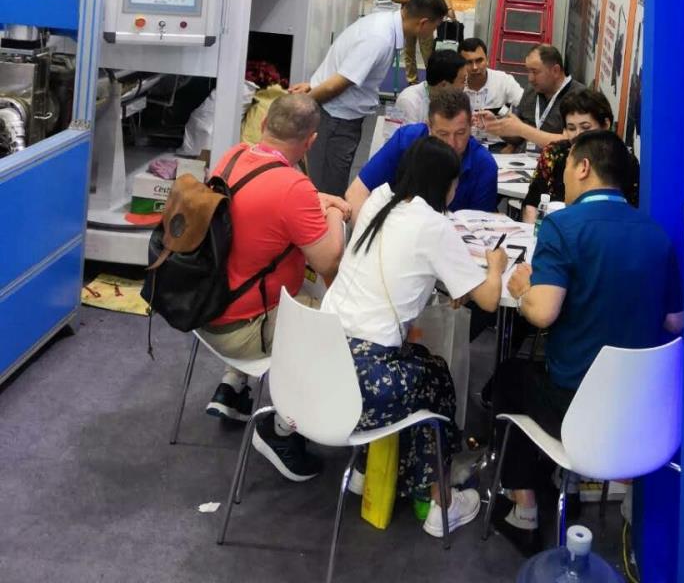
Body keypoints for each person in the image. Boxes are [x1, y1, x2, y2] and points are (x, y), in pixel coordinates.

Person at [490, 130, 684, 552]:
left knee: (509, 376)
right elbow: (675, 320)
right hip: (642, 410)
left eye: (566, 168)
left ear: (583, 167)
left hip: (575, 408)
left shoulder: (563, 226)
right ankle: (567, 481)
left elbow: (543, 312)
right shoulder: (655, 233)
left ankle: (524, 509)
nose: (562, 178)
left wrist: (523, 290)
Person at [322, 137, 508, 537]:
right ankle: (442, 504)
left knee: (420, 363)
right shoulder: (434, 226)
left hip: (319, 361)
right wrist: (495, 265)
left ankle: (365, 468)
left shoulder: (379, 201)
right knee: (436, 379)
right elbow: (490, 300)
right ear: (447, 185)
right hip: (363, 382)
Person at [201, 95, 350, 482]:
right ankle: (282, 432)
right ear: (311, 141)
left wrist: (315, 200)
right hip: (243, 328)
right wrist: (334, 211)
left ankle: (233, 386)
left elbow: (264, 200)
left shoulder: (233, 156)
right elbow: (328, 260)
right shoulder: (293, 187)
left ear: (265, 122)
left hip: (206, 309)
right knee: (333, 327)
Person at [298, 0, 447, 196]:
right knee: (328, 195)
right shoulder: (380, 38)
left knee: (329, 188)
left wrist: (313, 87)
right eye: (435, 26)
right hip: (335, 120)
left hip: (340, 118)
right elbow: (337, 84)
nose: (433, 32)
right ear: (423, 23)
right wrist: (299, 105)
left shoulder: (382, 25)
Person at [345, 88, 497, 222]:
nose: (452, 143)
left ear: (471, 125)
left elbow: (481, 227)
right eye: (443, 134)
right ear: (429, 126)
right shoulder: (406, 141)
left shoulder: (484, 165)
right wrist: (370, 239)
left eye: (460, 133)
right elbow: (356, 193)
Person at [521, 88, 614, 222]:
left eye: (585, 127)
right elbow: (531, 204)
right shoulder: (554, 154)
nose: (578, 134)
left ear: (605, 125)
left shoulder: (619, 160)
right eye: (571, 128)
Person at [477, 44, 584, 151]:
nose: (530, 78)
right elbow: (518, 137)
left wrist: (523, 129)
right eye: (528, 71)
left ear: (555, 71)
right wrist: (497, 125)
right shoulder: (531, 91)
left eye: (535, 72)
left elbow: (573, 141)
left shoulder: (579, 96)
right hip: (523, 158)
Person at [390, 0, 456, 84]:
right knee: (409, 53)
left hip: (427, 23)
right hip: (408, 22)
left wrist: (449, 10)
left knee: (428, 54)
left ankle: (431, 81)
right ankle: (412, 81)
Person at [459, 37, 523, 142]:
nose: (475, 67)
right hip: (465, 145)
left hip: (498, 146)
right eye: (469, 62)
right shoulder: (456, 85)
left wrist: (512, 146)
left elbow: (527, 109)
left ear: (487, 60)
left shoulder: (503, 80)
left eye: (479, 60)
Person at [394, 48, 468, 126]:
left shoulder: (451, 98)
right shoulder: (408, 101)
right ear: (444, 85)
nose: (465, 86)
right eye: (463, 81)